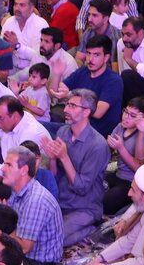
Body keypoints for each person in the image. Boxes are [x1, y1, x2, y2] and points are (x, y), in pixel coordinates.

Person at [44, 89, 110, 246]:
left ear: (86, 112)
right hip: (62, 200)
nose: (66, 109)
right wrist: (52, 159)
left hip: (84, 207)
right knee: (35, 232)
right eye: (67, 104)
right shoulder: (63, 132)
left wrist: (64, 157)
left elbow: (82, 188)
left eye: (72, 106)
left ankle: (91, 229)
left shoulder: (98, 145)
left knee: (52, 241)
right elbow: (55, 176)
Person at [1, 0, 48, 74]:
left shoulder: (41, 25)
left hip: (33, 71)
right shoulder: (9, 22)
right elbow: (1, 50)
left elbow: (39, 57)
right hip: (11, 68)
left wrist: (17, 46)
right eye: (15, 4)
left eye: (22, 5)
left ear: (31, 8)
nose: (17, 8)